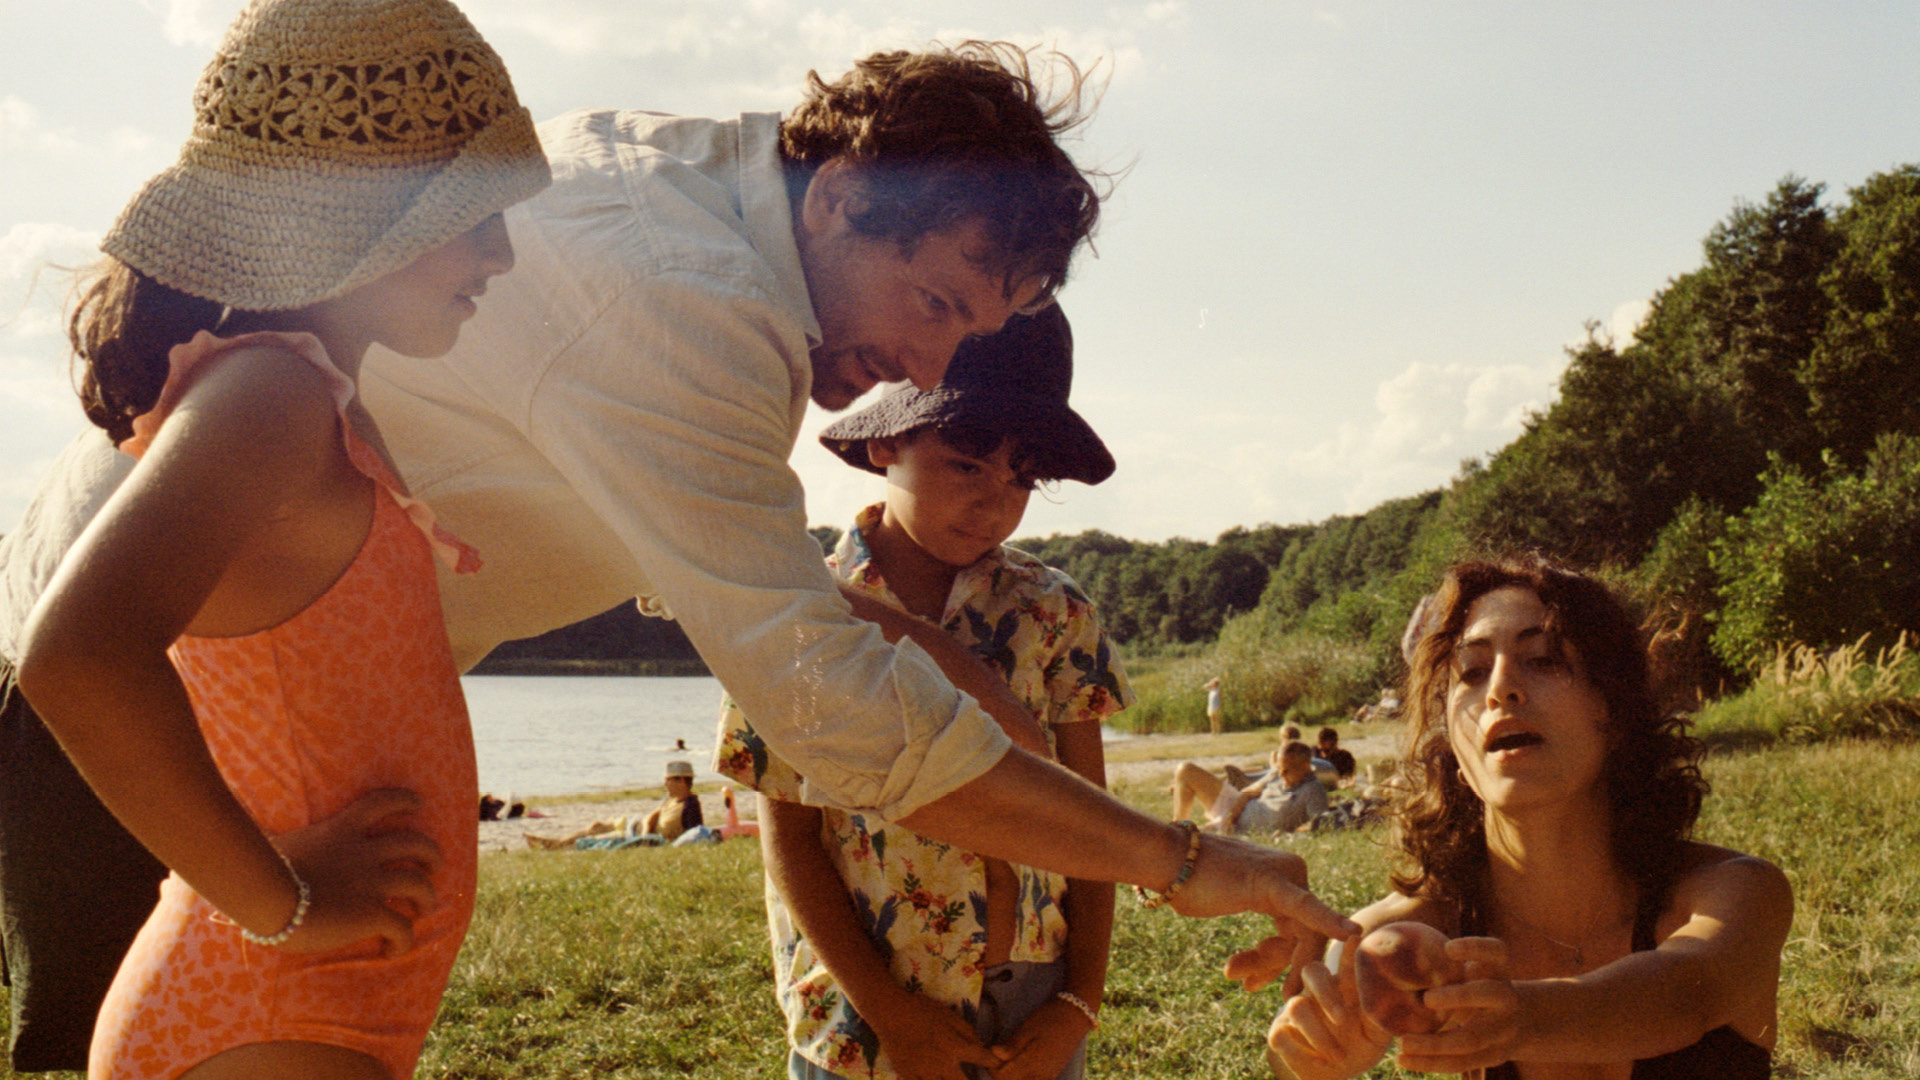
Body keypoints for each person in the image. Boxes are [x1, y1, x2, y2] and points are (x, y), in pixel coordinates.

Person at [0, 43, 1352, 1055]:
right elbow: (833, 717)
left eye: (969, 332)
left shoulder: (703, 201)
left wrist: (906, 641)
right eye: (933, 301)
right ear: (842, 199)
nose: (928, 366)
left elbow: (700, 559)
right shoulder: (686, 299)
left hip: (280, 769)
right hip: (157, 733)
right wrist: (1185, 861)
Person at [10, 1, 549, 1076]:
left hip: (310, 1010)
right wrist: (283, 905)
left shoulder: (311, 400)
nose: (502, 252)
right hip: (270, 1010)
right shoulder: (272, 395)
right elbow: (74, 655)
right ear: (360, 212)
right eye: (473, 213)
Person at [717, 306, 1123, 1080]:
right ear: (886, 444)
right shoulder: (800, 615)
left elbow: (1093, 822)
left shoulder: (1055, 611)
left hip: (1036, 1003)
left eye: (1022, 478)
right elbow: (790, 842)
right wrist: (891, 1013)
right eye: (967, 466)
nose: (994, 502)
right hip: (866, 1010)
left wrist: (1078, 1004)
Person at [1262, 559, 1792, 1080]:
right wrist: (1312, 1060)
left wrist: (1522, 1018)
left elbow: (1685, 992)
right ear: (1454, 748)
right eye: (1472, 672)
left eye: (1543, 659)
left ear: (1614, 708)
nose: (1500, 688)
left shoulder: (1735, 893)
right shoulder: (1402, 934)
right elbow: (1287, 1059)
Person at [524, 760, 705, 849]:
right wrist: (645, 832)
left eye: (668, 780)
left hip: (635, 833)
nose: (665, 784)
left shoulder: (690, 807)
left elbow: (694, 836)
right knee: (596, 827)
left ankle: (555, 845)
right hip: (634, 825)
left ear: (681, 781)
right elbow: (654, 817)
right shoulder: (672, 800)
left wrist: (646, 838)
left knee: (597, 837)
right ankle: (555, 844)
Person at [1173, 742, 1329, 837]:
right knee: (1185, 770)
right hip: (1234, 808)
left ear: (1305, 766)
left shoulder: (1312, 790)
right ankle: (1177, 826)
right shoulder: (1278, 773)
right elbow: (1247, 792)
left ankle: (1176, 836)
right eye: (1280, 768)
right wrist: (1229, 817)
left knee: (1189, 839)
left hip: (1241, 830)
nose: (1281, 774)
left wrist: (1288, 834)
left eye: (1287, 770)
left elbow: (1321, 828)